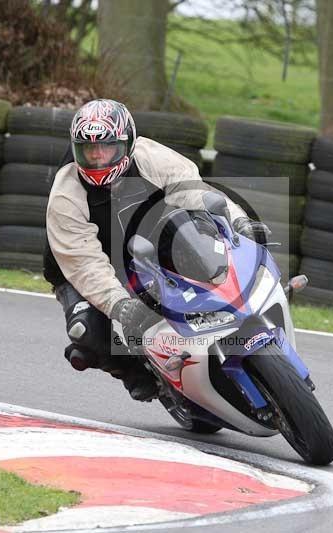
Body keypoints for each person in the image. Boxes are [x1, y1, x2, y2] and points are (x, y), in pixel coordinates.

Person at [44, 99, 270, 401]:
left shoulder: (151, 157)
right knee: (86, 332)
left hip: (145, 236)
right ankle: (135, 370)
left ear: (127, 144)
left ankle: (228, 302)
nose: (97, 158)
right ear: (75, 149)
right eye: (88, 150)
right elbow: (85, 265)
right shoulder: (66, 194)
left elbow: (195, 192)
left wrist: (239, 221)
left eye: (107, 148)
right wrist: (119, 305)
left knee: (189, 232)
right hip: (77, 265)